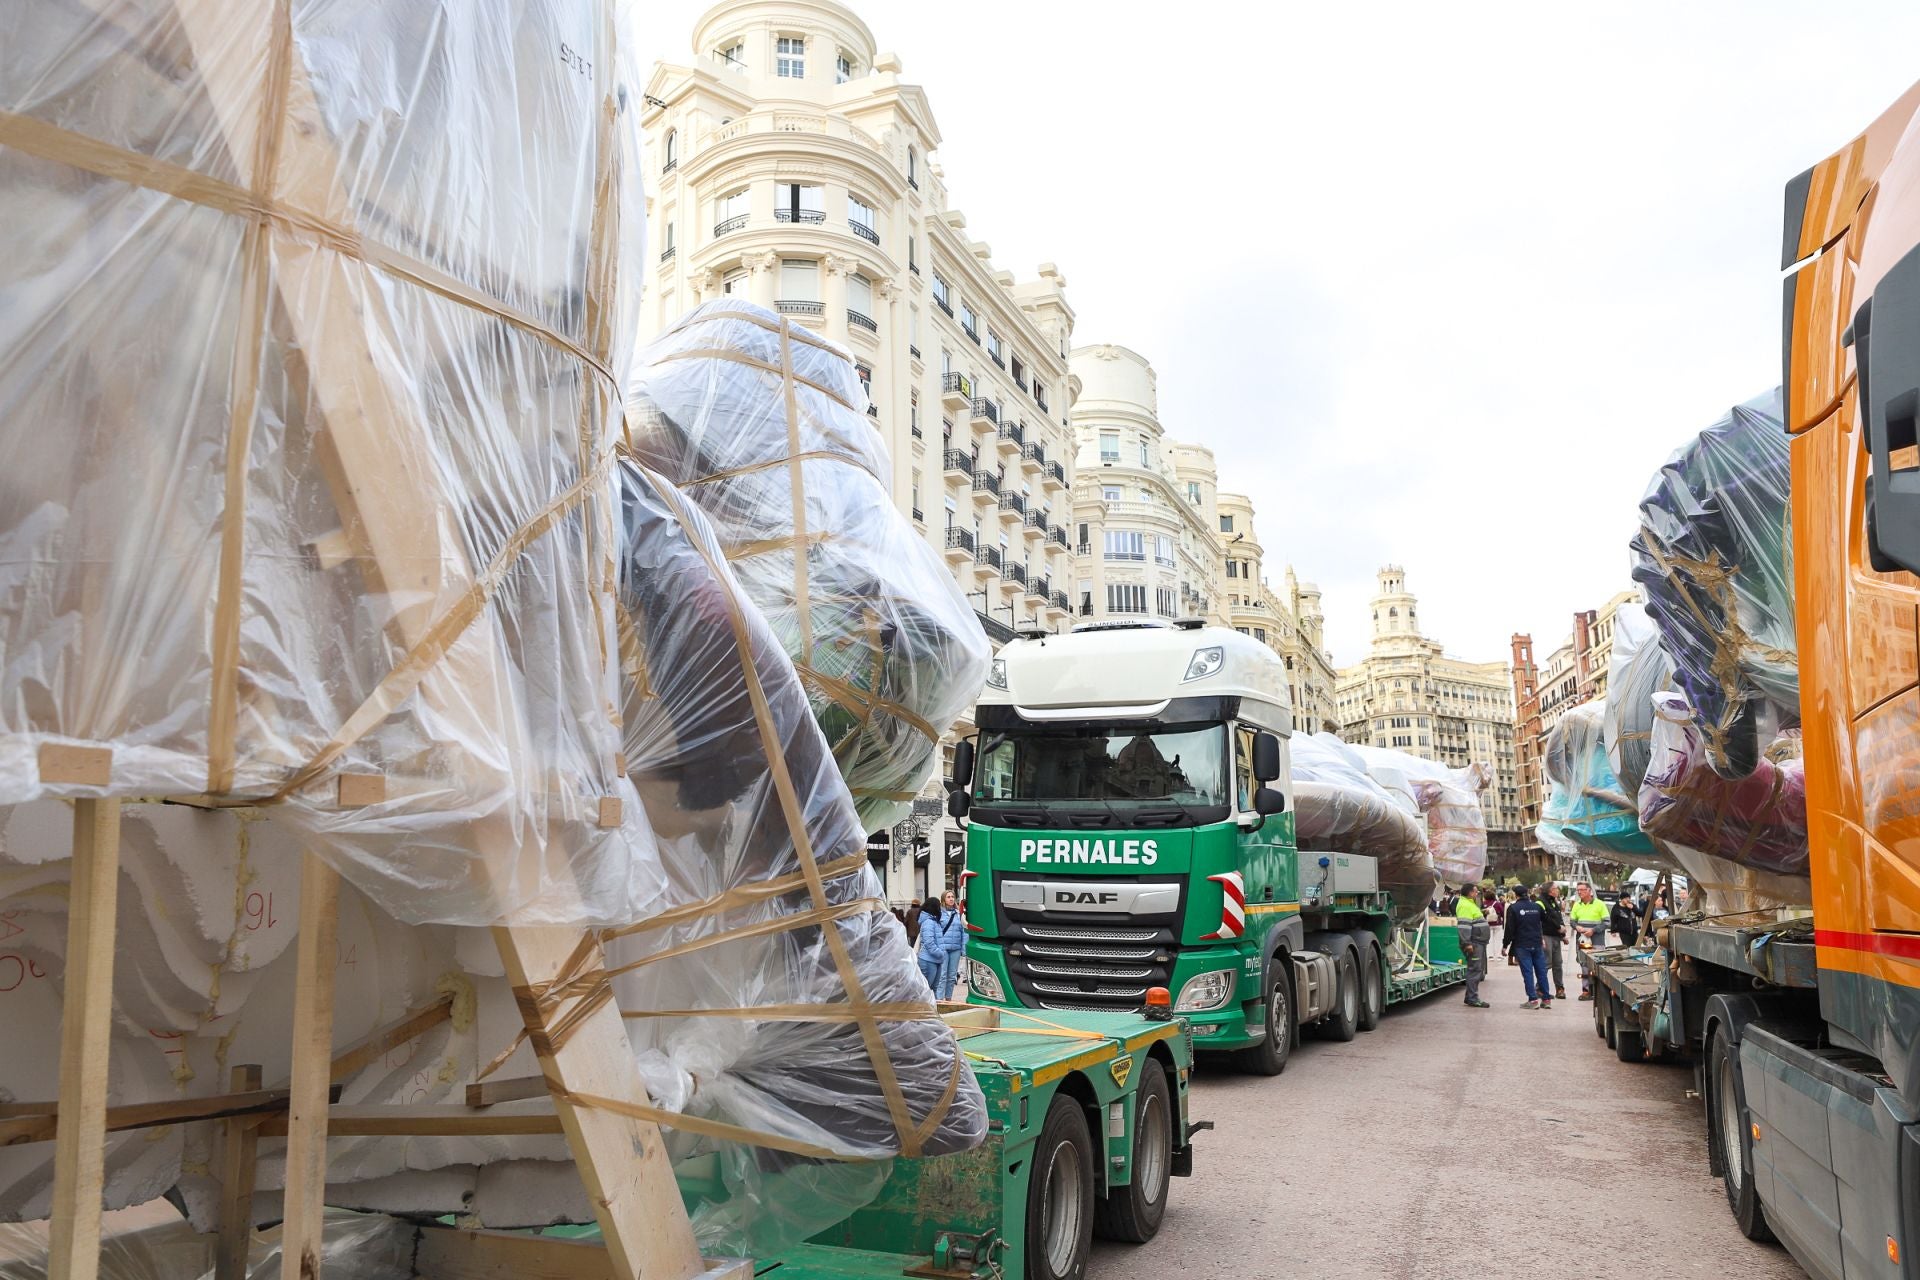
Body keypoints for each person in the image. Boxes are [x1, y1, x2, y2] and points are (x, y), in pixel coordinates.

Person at [1507, 884, 1551, 1009]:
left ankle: (1532, 1000)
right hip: (1537, 944)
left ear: (1516, 895)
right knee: (1542, 972)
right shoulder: (1536, 907)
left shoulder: (1513, 908)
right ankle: (1546, 999)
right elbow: (1545, 920)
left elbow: (1510, 929)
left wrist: (1505, 945)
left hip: (1522, 945)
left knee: (1528, 973)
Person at [1568, 881, 1610, 1000]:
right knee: (1585, 966)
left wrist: (1593, 930)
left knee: (1598, 966)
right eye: (1578, 890)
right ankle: (1586, 991)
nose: (1579, 892)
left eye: (1582, 890)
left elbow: (1607, 922)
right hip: (1583, 941)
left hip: (1597, 941)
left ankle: (1598, 992)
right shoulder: (1577, 905)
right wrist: (1577, 927)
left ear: (1589, 891)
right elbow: (1572, 921)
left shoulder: (1600, 904)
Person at [1454, 886, 1491, 1008]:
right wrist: (1467, 943)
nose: (1477, 893)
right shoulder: (1465, 905)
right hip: (1474, 943)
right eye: (1476, 891)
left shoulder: (1469, 904)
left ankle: (1470, 997)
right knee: (1474, 970)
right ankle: (1472, 998)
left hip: (1477, 942)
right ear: (1470, 893)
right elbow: (1464, 926)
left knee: (1475, 970)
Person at [1539, 882, 1569, 1001]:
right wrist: (1558, 927)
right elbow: (1546, 918)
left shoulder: (1553, 901)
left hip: (1556, 936)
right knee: (1546, 963)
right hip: (1546, 935)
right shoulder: (1541, 902)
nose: (1558, 890)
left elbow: (1557, 917)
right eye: (1556, 888)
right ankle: (1540, 988)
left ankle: (1560, 989)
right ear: (1550, 890)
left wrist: (1562, 935)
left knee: (1558, 964)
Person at [938, 888, 966, 998]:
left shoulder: (959, 914)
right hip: (943, 948)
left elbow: (964, 932)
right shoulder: (939, 914)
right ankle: (940, 1000)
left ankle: (948, 999)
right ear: (943, 899)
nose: (951, 899)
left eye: (952, 897)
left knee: (952, 976)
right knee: (942, 976)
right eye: (948, 897)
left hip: (955, 948)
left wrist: (963, 949)